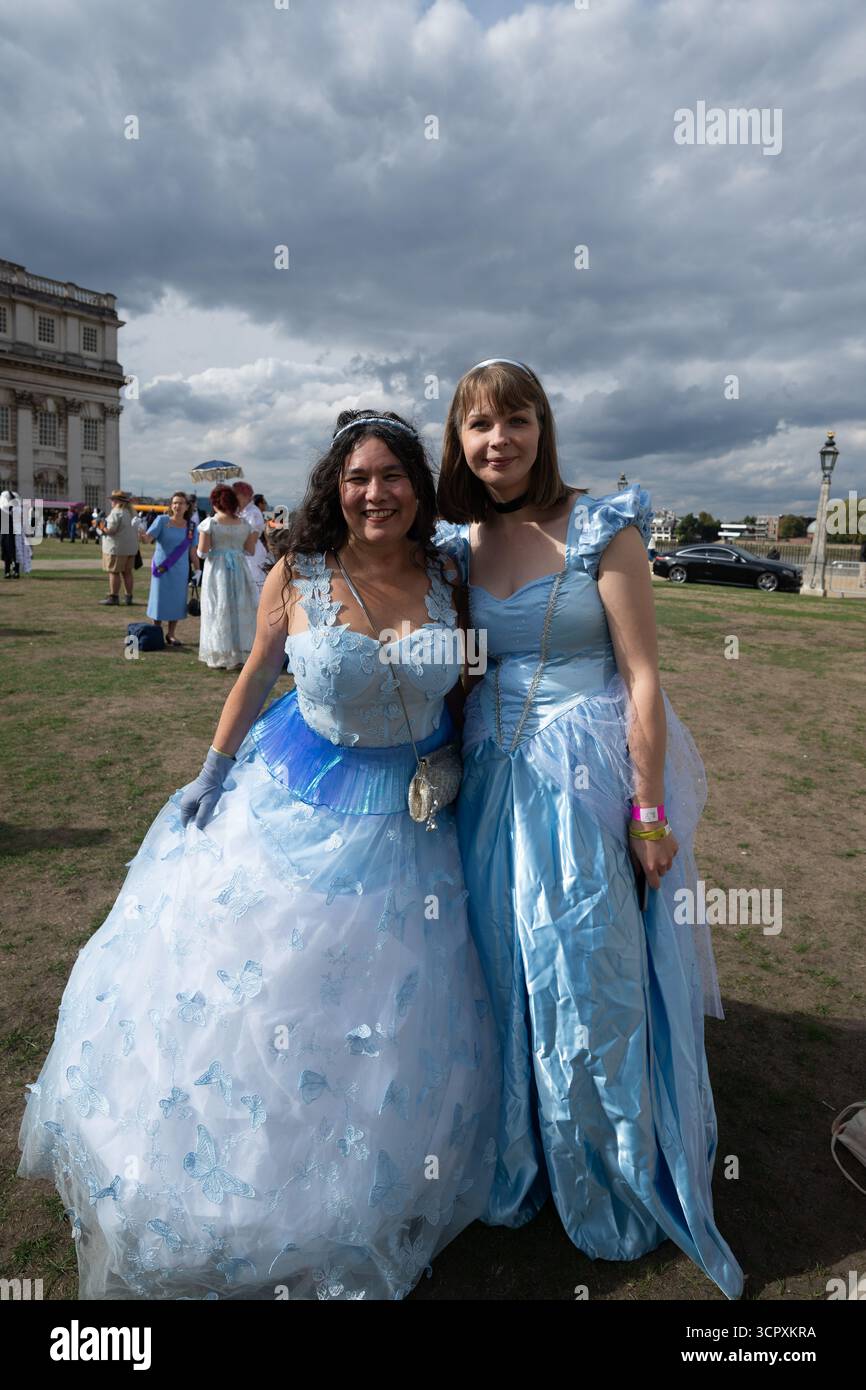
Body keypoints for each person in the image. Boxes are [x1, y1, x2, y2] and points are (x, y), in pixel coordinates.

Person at [16, 407, 500, 1301]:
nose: (375, 493)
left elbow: (468, 676)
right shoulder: (299, 570)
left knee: (392, 1005)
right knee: (268, 988)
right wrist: (210, 770)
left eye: (393, 476)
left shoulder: (449, 572)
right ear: (335, 487)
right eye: (358, 477)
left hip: (412, 821)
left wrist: (457, 757)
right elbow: (256, 675)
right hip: (293, 797)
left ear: (418, 489)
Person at [434, 357, 744, 1300]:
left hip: (583, 782)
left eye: (516, 420)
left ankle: (606, 1164)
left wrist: (648, 812)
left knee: (587, 973)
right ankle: (514, 1153)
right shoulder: (456, 542)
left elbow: (643, 676)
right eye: (480, 425)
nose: (500, 440)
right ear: (460, 439)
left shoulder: (603, 527)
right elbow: (456, 664)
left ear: (543, 426)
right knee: (498, 968)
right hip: (490, 782)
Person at [196, 485, 259, 669]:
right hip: (239, 568)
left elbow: (202, 552)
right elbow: (250, 550)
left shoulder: (210, 524)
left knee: (218, 608)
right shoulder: (244, 524)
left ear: (215, 503)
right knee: (240, 608)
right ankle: (240, 652)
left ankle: (222, 653)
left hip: (217, 570)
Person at [141, 491, 200, 646]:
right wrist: (140, 532)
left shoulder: (192, 527)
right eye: (174, 502)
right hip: (161, 568)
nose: (177, 506)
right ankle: (156, 631)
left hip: (180, 570)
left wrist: (198, 570)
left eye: (181, 503)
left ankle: (171, 634)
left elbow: (193, 551)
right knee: (159, 599)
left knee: (177, 600)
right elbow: (148, 539)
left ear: (187, 507)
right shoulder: (161, 520)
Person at [98, 490, 140, 606]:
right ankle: (128, 597)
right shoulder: (132, 512)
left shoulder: (116, 512)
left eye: (113, 499)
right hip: (131, 548)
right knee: (127, 573)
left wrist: (100, 526)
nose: (111, 501)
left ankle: (114, 596)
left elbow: (111, 531)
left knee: (114, 572)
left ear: (117, 501)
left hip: (116, 548)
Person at [233, 481, 269, 604]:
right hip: (240, 552)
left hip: (251, 553)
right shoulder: (240, 511)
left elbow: (251, 541)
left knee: (253, 585)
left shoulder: (253, 513)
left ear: (246, 496)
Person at [0, 489, 33, 578]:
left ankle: (11, 571)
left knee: (12, 553)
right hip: (11, 534)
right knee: (13, 552)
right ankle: (13, 571)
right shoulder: (12, 509)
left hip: (11, 534)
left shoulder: (10, 509)